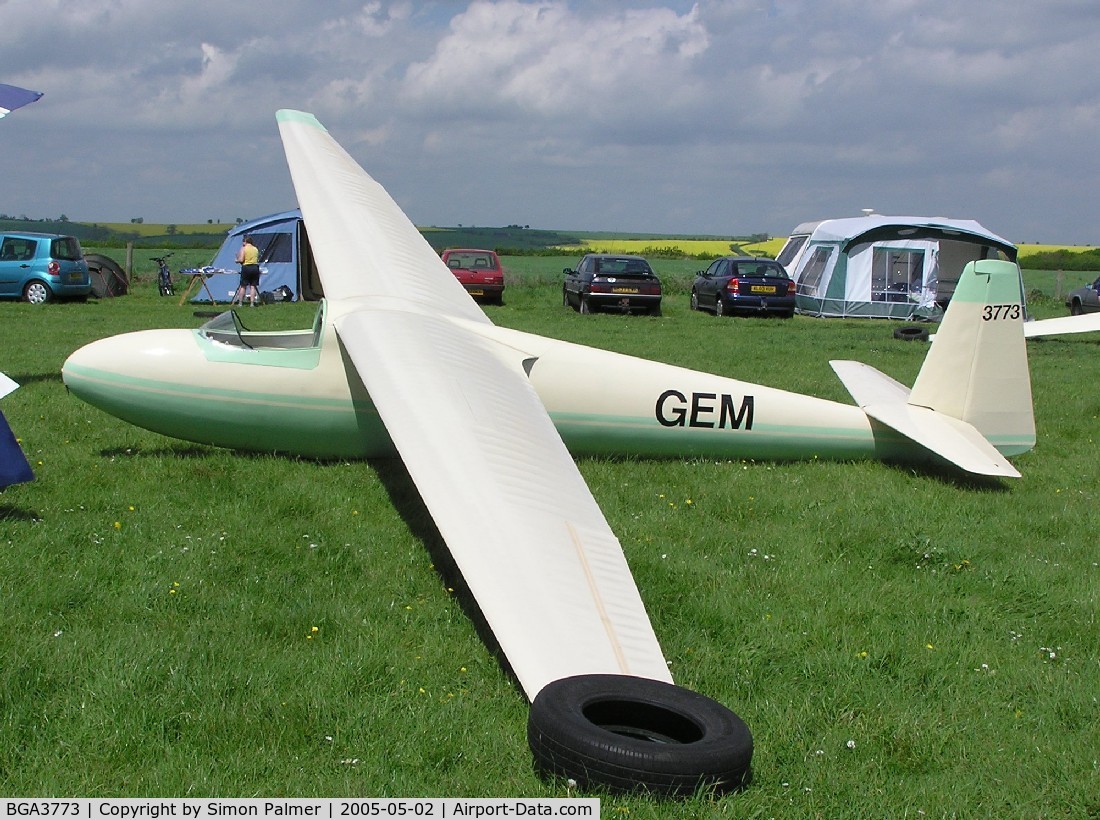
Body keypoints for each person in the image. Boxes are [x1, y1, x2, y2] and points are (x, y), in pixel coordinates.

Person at [232, 235, 261, 306]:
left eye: (243, 242)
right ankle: (252, 303)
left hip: (246, 267)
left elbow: (241, 259)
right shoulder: (255, 249)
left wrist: (237, 260)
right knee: (253, 286)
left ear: (245, 241)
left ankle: (240, 302)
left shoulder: (244, 248)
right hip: (255, 267)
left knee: (243, 286)